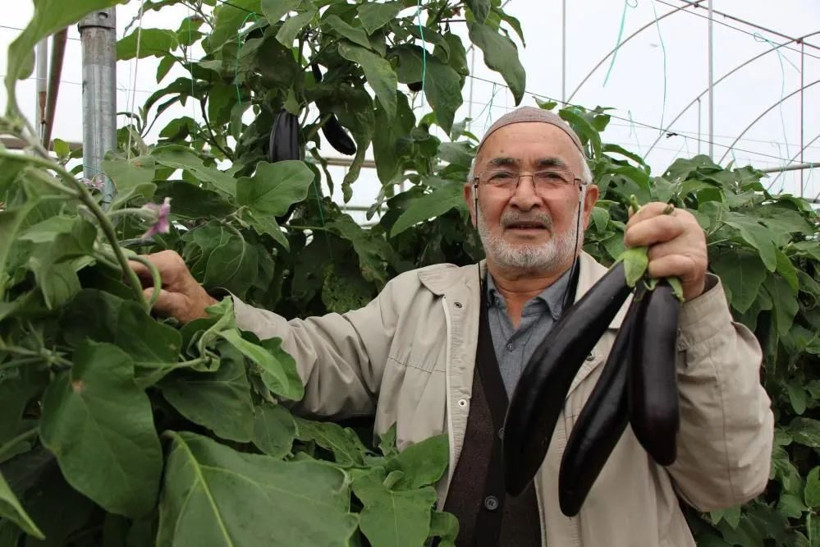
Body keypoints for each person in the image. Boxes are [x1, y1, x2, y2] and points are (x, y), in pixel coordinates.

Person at [133, 107, 773, 546]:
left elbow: (729, 480)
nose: (525, 196)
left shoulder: (651, 322)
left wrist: (694, 304)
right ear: (473, 201)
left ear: (588, 202)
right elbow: (315, 357)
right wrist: (206, 311)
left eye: (551, 176)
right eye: (502, 176)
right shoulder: (418, 300)